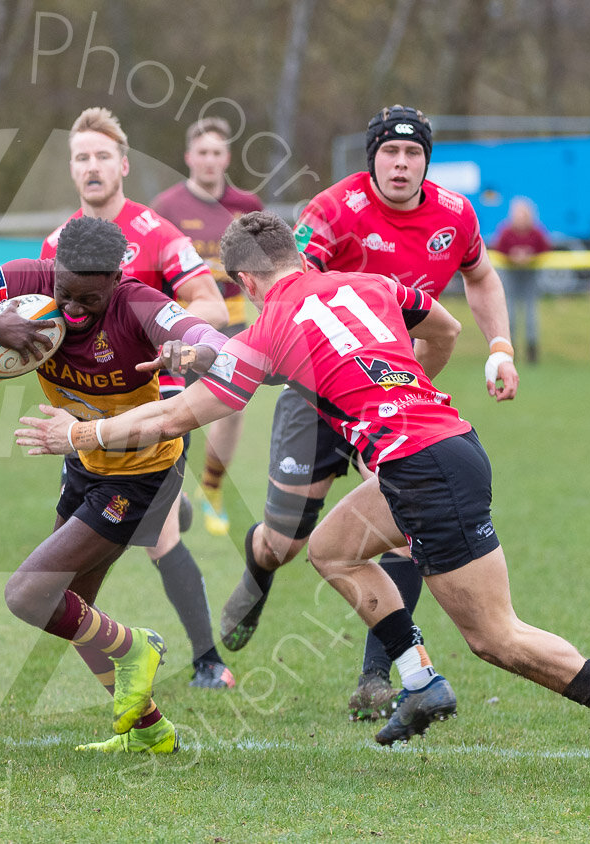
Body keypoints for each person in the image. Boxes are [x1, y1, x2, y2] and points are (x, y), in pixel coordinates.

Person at [18, 211, 590, 784]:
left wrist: (82, 432)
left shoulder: (270, 325)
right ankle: (420, 680)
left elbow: (171, 419)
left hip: (424, 469)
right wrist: (399, 391)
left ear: (245, 281)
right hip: (442, 444)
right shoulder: (371, 283)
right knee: (332, 549)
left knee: (495, 636)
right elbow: (446, 329)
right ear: (297, 255)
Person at [219, 105, 520, 722]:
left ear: (426, 163)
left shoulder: (455, 215)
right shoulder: (333, 211)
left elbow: (482, 279)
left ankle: (383, 676)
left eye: (413, 154)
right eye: (390, 153)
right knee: (286, 542)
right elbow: (285, 291)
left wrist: (501, 347)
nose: (402, 164)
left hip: (393, 402)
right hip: (320, 390)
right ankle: (258, 567)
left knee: (408, 516)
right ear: (372, 158)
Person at [0, 215, 229, 753]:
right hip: (85, 465)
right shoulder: (22, 280)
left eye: (89, 298)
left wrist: (192, 351)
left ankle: (136, 647)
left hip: (143, 471)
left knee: (28, 595)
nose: (73, 309)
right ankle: (147, 731)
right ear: (53, 271)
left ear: (116, 278)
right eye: (65, 294)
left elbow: (208, 339)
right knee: (74, 610)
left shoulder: (140, 305)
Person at [40, 106, 235, 690]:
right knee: (69, 547)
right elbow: (44, 324)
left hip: (154, 408)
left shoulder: (155, 232)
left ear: (123, 164)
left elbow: (212, 306)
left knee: (156, 536)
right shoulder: (58, 244)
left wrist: (170, 335)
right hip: (84, 417)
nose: (93, 166)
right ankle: (129, 653)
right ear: (72, 170)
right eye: (82, 157)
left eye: (103, 156)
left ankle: (207, 661)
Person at [152, 117, 264, 536]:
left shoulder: (247, 205)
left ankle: (212, 491)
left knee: (233, 406)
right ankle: (165, 496)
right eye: (202, 153)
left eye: (217, 153)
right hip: (179, 322)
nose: (210, 160)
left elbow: (264, 263)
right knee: (169, 409)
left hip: (233, 323)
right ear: (188, 158)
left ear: (227, 158)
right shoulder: (167, 206)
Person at [493, 196, 552, 364]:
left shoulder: (537, 232)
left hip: (530, 277)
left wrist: (530, 257)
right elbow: (499, 250)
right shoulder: (506, 231)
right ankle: (510, 351)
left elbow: (546, 249)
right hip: (510, 277)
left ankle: (532, 351)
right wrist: (513, 257)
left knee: (531, 315)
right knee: (509, 314)